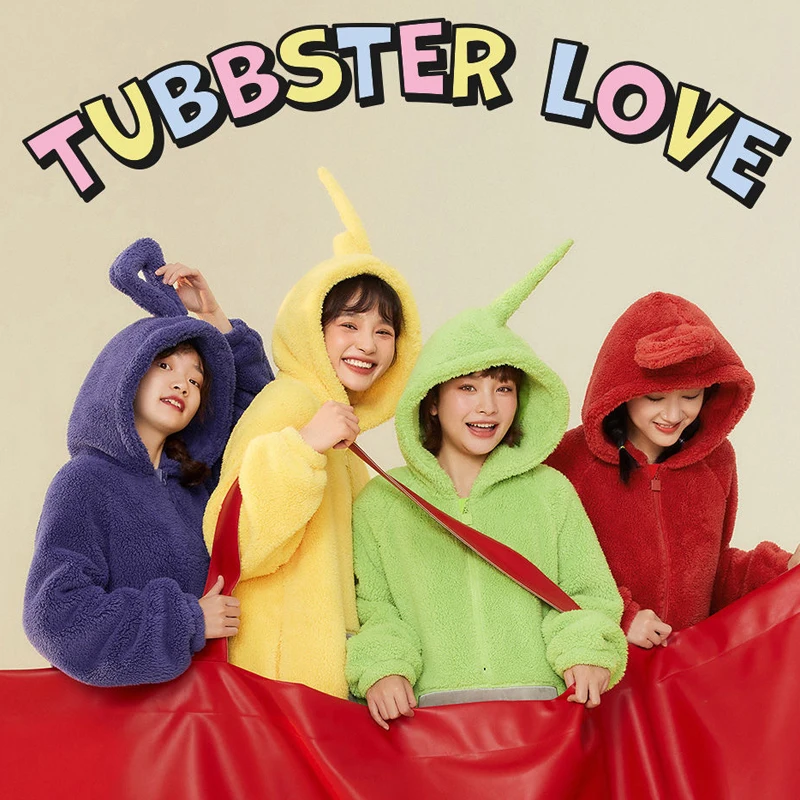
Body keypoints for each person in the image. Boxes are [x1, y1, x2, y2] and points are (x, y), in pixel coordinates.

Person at [345, 242, 628, 729]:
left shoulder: (551, 493)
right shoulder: (382, 502)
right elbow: (373, 610)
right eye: (467, 387)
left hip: (542, 720)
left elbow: (588, 594)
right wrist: (383, 668)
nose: (488, 406)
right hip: (427, 727)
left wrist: (587, 651)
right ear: (432, 400)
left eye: (503, 388)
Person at [202, 169, 422, 698]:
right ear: (313, 330)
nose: (367, 344)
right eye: (349, 325)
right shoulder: (291, 404)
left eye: (384, 331)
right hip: (275, 678)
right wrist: (303, 448)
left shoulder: (342, 436)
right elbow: (231, 538)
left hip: (318, 682)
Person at [23, 238, 273, 685]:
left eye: (196, 380)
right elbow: (56, 616)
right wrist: (187, 621)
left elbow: (266, 419)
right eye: (164, 366)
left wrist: (213, 315)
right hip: (133, 721)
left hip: (211, 706)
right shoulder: (85, 482)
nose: (182, 384)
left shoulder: (199, 486)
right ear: (128, 371)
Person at [546, 292, 800, 649]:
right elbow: (544, 570)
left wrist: (782, 569)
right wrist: (620, 616)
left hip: (683, 670)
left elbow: (713, 575)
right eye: (655, 397)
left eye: (691, 396)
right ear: (622, 392)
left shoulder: (716, 461)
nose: (673, 414)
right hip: (601, 666)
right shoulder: (569, 461)